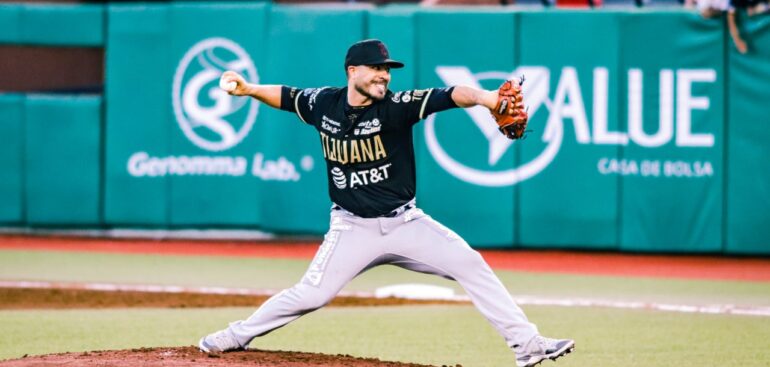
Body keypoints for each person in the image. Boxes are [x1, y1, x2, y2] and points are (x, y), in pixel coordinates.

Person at [198, 39, 574, 367]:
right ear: (352, 71)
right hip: (352, 227)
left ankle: (527, 345)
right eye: (376, 69)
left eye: (387, 70)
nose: (384, 76)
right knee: (311, 295)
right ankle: (236, 335)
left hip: (405, 223)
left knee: (471, 264)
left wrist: (488, 99)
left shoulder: (397, 106)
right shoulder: (324, 103)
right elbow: (287, 96)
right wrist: (248, 89)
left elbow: (452, 94)